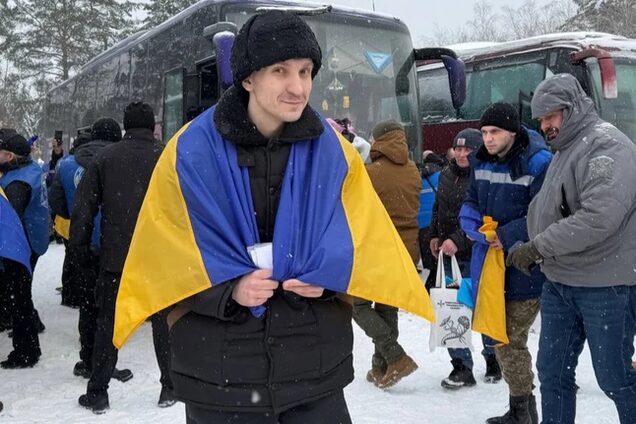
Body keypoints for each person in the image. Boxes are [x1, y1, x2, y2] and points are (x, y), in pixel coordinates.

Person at [507, 74, 636, 424]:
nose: (544, 126)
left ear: (573, 108)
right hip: (560, 282)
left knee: (615, 378)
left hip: (605, 284)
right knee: (552, 374)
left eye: (551, 116)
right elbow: (553, 208)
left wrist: (537, 247)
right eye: (540, 119)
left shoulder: (606, 146)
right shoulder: (567, 147)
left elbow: (599, 218)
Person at [71, 106, 173, 413]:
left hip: (117, 257)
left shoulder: (106, 158)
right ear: (152, 126)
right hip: (158, 256)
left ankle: (98, 392)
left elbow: (83, 209)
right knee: (164, 323)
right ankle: (170, 386)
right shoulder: (167, 156)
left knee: (109, 325)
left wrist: (79, 250)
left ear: (125, 126)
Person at [461, 103, 551, 424]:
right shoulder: (482, 160)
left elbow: (546, 213)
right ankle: (521, 408)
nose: (487, 138)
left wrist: (507, 234)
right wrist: (470, 222)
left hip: (527, 267)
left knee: (509, 339)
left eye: (495, 132)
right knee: (502, 339)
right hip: (492, 265)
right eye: (484, 132)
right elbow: (472, 199)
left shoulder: (539, 163)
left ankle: (523, 411)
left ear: (512, 132)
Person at [49, 124, 132, 384]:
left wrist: (78, 217)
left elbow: (56, 202)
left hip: (81, 242)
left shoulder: (66, 164)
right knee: (109, 308)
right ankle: (105, 364)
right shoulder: (120, 162)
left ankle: (87, 358)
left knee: (87, 304)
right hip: (114, 245)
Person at [429, 128, 500, 390]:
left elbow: (484, 219)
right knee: (452, 309)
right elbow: (438, 207)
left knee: (483, 308)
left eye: (467, 149)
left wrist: (458, 240)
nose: (461, 154)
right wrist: (434, 235)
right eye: (458, 149)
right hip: (450, 258)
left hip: (478, 256)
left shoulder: (486, 177)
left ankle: (494, 359)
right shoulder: (446, 174)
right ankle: (461, 366)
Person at [353, 119, 421, 389]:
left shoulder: (370, 173)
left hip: (380, 248)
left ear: (379, 140)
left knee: (358, 305)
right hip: (406, 248)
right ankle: (380, 366)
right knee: (386, 305)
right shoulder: (413, 169)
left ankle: (396, 357)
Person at [0, 129, 49, 368]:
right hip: (33, 239)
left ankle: (26, 351)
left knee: (18, 295)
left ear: (9, 156)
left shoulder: (17, 184)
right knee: (19, 293)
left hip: (22, 246)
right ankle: (31, 327)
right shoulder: (26, 170)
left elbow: (9, 219)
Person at [418, 150, 445, 287]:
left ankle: (430, 290)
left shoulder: (418, 177)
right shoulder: (441, 176)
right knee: (441, 265)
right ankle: (433, 291)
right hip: (436, 224)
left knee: (432, 266)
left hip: (421, 226)